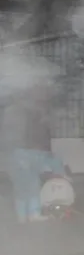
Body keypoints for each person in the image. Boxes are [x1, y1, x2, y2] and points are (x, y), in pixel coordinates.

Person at [2, 85, 66, 223]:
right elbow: (33, 136)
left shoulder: (15, 112)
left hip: (18, 152)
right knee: (31, 184)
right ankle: (33, 214)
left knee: (22, 185)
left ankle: (22, 216)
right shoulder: (26, 113)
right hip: (24, 152)